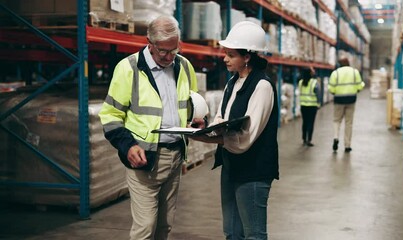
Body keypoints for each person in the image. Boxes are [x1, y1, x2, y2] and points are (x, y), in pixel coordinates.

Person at [98, 15, 201, 240]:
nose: (168, 57)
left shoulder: (184, 66)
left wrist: (198, 119)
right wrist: (128, 146)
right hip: (145, 159)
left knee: (165, 225)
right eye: (162, 51)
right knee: (145, 227)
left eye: (173, 50)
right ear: (149, 42)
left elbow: (191, 103)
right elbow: (110, 115)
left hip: (175, 157)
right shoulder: (128, 69)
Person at [190, 21, 279, 240]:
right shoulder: (233, 83)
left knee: (253, 235)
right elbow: (223, 119)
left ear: (247, 56)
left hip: (253, 171)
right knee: (232, 233)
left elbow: (247, 137)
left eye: (231, 54)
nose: (225, 58)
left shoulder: (262, 86)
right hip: (231, 167)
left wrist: (215, 140)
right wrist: (206, 129)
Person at [328, 57, 364, 153]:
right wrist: (356, 89)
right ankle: (347, 145)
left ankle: (336, 137)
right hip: (351, 99)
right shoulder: (355, 72)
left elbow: (331, 89)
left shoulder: (335, 73)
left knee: (337, 120)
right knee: (349, 122)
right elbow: (360, 86)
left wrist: (336, 92)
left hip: (339, 100)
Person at [298, 67, 321, 146]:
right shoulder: (314, 82)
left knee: (305, 122)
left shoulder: (300, 82)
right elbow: (318, 94)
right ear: (310, 73)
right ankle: (309, 140)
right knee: (311, 123)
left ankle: (304, 139)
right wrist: (318, 104)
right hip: (312, 106)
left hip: (303, 105)